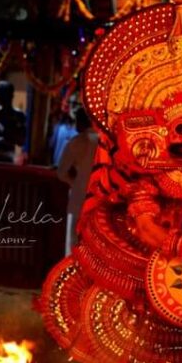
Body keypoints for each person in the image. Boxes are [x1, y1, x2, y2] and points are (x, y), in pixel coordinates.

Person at [55, 107, 100, 255]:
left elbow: (61, 172)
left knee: (73, 241)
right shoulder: (103, 141)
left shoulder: (76, 142)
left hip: (79, 197)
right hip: (100, 198)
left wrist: (75, 182)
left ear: (81, 121)